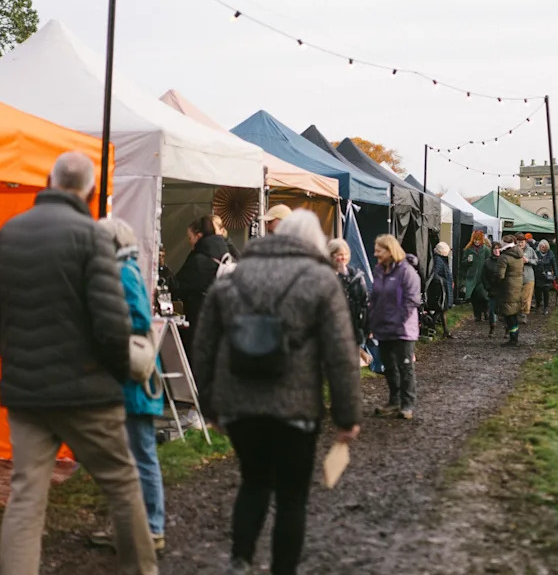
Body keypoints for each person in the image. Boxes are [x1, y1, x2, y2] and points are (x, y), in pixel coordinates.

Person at [0, 152, 156, 575]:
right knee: (122, 484)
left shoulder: (9, 233)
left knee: (25, 498)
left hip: (27, 394)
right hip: (88, 391)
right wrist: (113, 371)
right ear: (92, 191)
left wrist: (20, 359)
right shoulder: (92, 237)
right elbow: (112, 326)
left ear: (47, 180)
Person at [192, 210, 361, 575]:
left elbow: (203, 347)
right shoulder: (320, 281)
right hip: (295, 408)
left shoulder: (231, 279)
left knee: (253, 481)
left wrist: (209, 405)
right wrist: (347, 416)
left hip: (239, 406)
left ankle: (240, 561)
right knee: (291, 497)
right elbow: (341, 353)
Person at [97, 217, 166, 553]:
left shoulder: (123, 273)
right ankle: (130, 525)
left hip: (131, 379)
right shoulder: (125, 269)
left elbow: (137, 320)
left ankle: (151, 528)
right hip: (129, 377)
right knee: (129, 455)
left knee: (140, 453)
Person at [369, 234, 422, 420]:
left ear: (390, 250)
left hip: (403, 329)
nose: (375, 254)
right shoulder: (379, 270)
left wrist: (398, 320)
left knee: (405, 366)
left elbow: (412, 300)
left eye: (379, 250)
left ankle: (407, 404)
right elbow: (374, 298)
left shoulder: (406, 271)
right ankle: (394, 401)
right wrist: (372, 322)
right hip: (383, 328)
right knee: (389, 366)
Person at [175, 216, 229, 352]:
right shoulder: (225, 252)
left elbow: (178, 286)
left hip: (200, 321)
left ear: (198, 236)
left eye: (190, 237)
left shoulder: (198, 260)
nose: (189, 241)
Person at [327, 239, 369, 348]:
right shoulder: (324, 276)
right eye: (340, 255)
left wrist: (366, 327)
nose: (343, 258)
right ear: (331, 255)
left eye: (345, 254)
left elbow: (364, 302)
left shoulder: (356, 277)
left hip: (352, 330)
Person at [495, 236, 525, 345]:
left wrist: (495, 283)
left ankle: (513, 338)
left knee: (509, 314)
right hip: (517, 286)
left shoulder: (504, 257)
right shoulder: (519, 255)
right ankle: (515, 335)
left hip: (507, 288)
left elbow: (500, 275)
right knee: (514, 313)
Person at [461, 230, 490, 321]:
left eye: (478, 240)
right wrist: (467, 261)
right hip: (471, 277)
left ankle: (485, 311)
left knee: (484, 296)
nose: (476, 242)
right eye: (475, 240)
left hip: (482, 277)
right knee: (474, 298)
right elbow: (463, 263)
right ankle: (477, 315)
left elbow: (489, 261)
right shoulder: (468, 249)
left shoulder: (486, 249)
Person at [429, 242, 455, 338]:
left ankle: (444, 331)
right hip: (442, 289)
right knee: (440, 309)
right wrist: (443, 281)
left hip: (443, 288)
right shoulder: (439, 260)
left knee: (442, 309)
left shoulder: (439, 259)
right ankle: (433, 328)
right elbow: (434, 274)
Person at [516, 233, 538, 322]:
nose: (520, 244)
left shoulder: (530, 250)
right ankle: (516, 313)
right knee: (517, 297)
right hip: (516, 277)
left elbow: (536, 261)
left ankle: (524, 314)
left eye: (522, 242)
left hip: (528, 277)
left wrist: (528, 260)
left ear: (525, 242)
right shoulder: (513, 250)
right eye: (518, 242)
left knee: (526, 297)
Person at [483, 241, 503, 336]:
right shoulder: (487, 262)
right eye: (495, 249)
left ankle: (507, 329)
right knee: (491, 310)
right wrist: (487, 286)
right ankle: (492, 327)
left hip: (502, 289)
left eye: (498, 248)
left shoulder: (504, 260)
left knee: (504, 311)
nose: (497, 250)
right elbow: (483, 276)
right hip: (492, 289)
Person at [534, 240, 556, 315]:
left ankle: (546, 307)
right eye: (541, 247)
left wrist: (556, 275)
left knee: (546, 292)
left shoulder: (550, 254)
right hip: (538, 275)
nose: (542, 248)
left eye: (544, 247)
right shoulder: (536, 253)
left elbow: (554, 265)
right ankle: (538, 305)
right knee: (537, 292)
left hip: (547, 276)